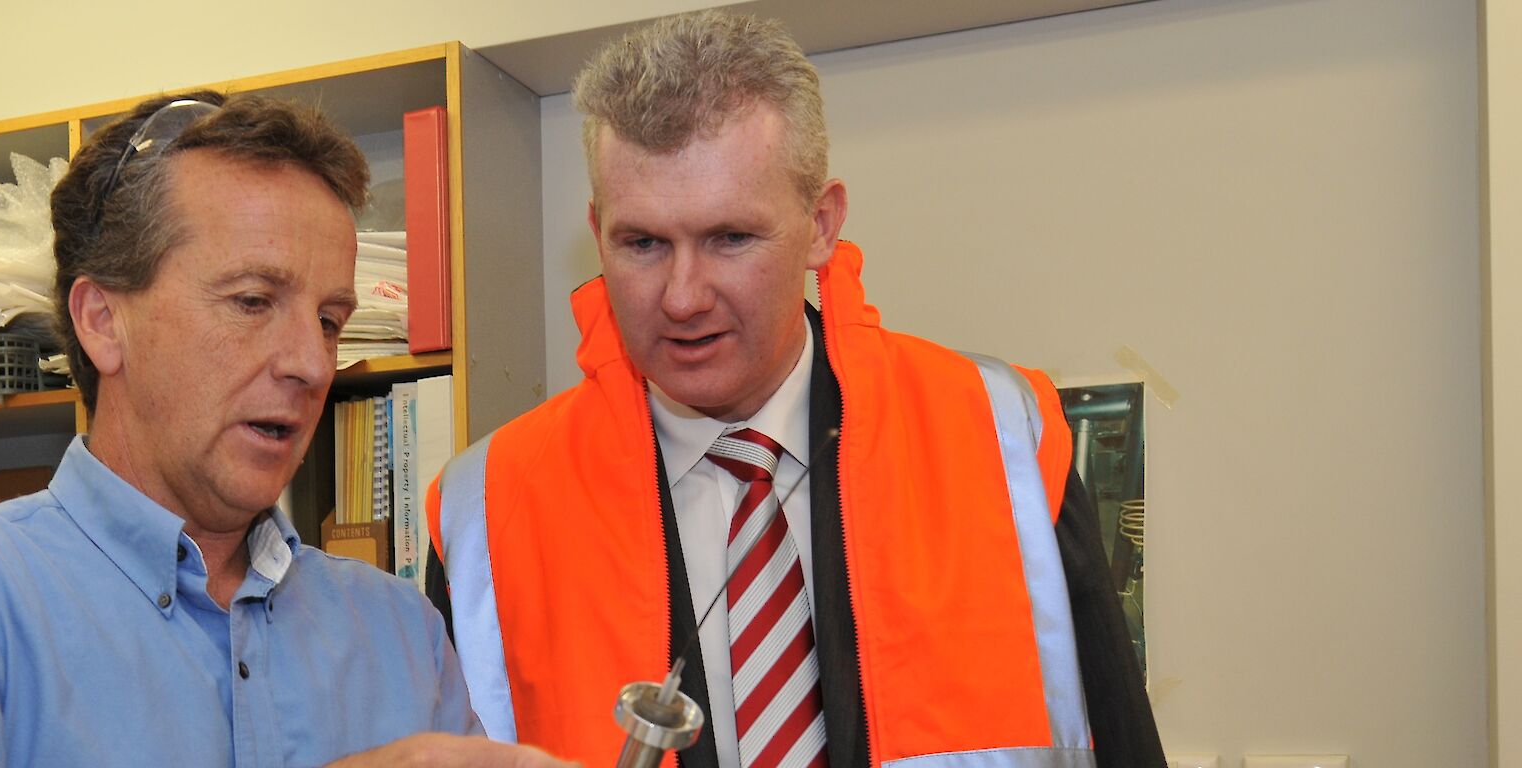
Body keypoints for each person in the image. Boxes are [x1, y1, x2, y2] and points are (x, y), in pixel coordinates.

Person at [427, 11, 1163, 768]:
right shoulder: (487, 510)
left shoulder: (999, 435)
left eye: (730, 238)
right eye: (642, 243)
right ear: (598, 228)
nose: (682, 297)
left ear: (820, 224)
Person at [0, 91, 572, 768]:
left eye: (331, 320)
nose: (311, 362)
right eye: (252, 301)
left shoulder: (401, 632)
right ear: (104, 322)